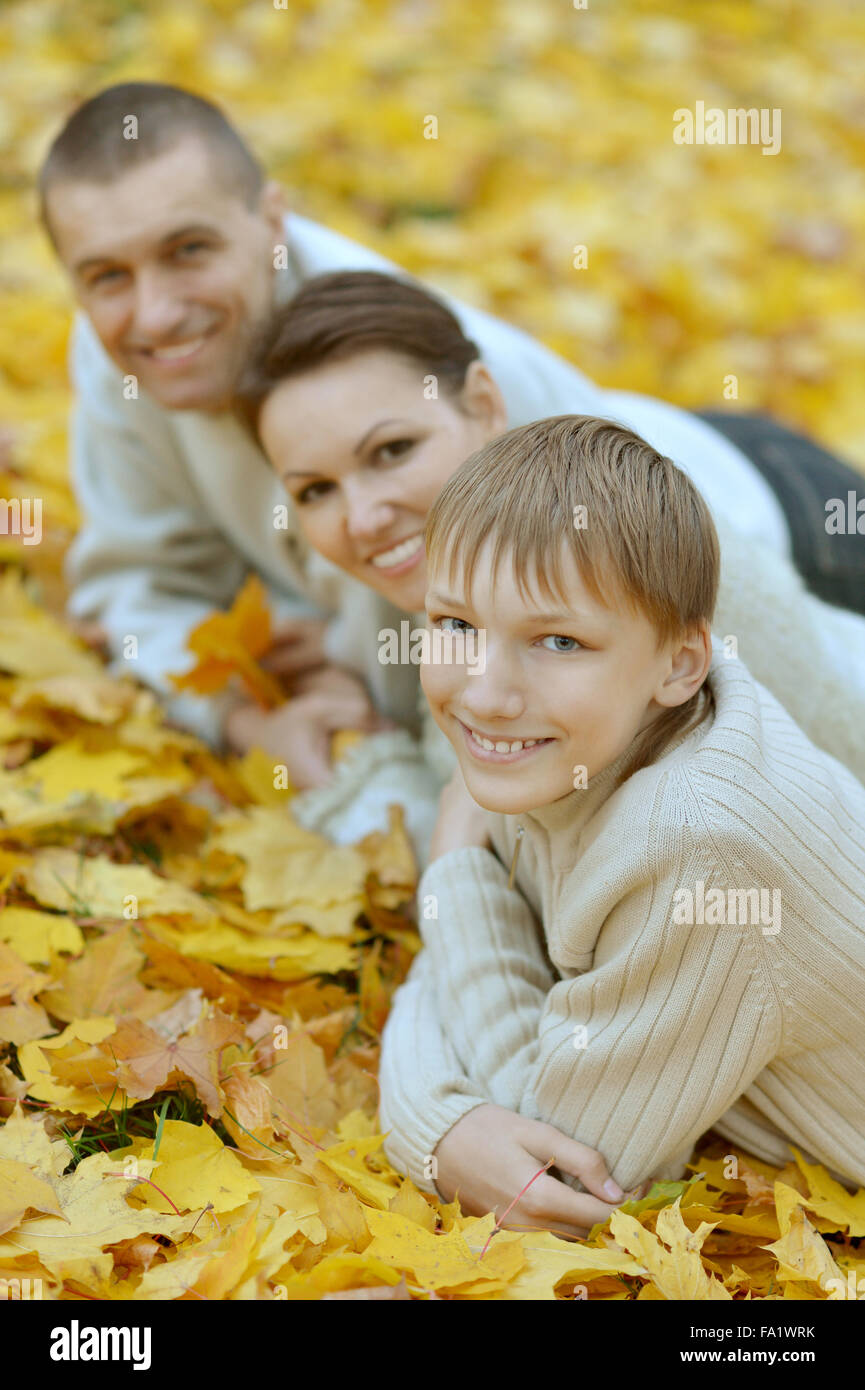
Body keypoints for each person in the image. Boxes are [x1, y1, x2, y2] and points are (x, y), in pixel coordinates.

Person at [40, 82, 864, 793]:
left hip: (771, 520)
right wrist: (246, 712)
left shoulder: (459, 384)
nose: (152, 312)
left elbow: (559, 668)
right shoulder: (130, 355)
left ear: (273, 220)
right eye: (107, 276)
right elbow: (136, 586)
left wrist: (335, 668)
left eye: (189, 250)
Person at [376, 415, 865, 1227]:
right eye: (456, 625)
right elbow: (498, 952)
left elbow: (562, 1175)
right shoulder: (578, 738)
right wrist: (447, 1111)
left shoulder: (699, 845)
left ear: (680, 663)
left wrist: (432, 1119)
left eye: (558, 641)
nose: (485, 692)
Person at [240, 268, 865, 864]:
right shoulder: (469, 587)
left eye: (394, 450)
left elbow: (522, 893)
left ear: (486, 406)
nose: (364, 518)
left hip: (803, 503)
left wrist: (355, 766)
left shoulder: (639, 577)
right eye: (316, 490)